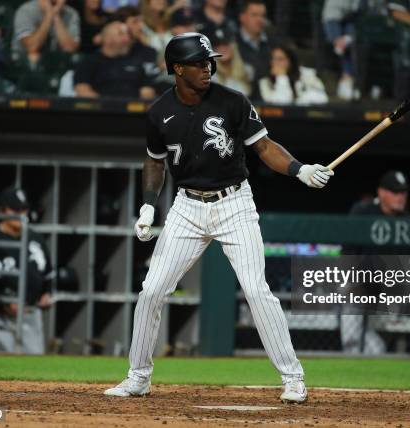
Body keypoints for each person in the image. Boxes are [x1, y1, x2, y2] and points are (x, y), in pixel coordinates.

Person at [103, 32, 334, 403]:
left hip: (234, 204)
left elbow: (264, 147)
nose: (207, 67)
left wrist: (299, 170)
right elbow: (154, 160)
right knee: (151, 291)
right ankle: (138, 377)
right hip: (187, 207)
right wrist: (148, 204)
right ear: (177, 69)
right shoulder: (159, 111)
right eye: (198, 62)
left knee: (257, 291)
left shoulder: (232, 102)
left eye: (209, 61)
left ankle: (292, 378)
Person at [342, 170, 410, 354]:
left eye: (403, 192)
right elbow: (348, 253)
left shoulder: (408, 222)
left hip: (389, 293)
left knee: (377, 346)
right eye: (395, 192)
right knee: (351, 338)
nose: (400, 197)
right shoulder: (363, 211)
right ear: (381, 192)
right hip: (357, 287)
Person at [0, 187, 53, 354]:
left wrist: (46, 293)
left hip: (29, 313)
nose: (20, 213)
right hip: (0, 315)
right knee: (2, 360)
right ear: (2, 210)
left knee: (34, 363)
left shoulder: (35, 238)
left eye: (23, 209)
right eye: (15, 209)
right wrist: (4, 302)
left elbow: (48, 274)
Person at [74, 20, 157, 99]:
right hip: (99, 111)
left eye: (128, 34)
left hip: (134, 111)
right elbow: (83, 91)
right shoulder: (88, 62)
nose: (128, 38)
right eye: (121, 34)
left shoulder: (137, 62)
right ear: (108, 39)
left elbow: (147, 92)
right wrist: (109, 107)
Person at [12, 0, 81, 63]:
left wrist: (56, 16)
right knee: (33, 56)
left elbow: (70, 49)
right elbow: (32, 47)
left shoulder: (71, 13)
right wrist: (48, 16)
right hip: (23, 65)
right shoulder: (26, 11)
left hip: (57, 66)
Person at [258, 44, 328, 105]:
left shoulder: (306, 74)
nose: (276, 63)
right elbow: (281, 104)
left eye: (280, 59)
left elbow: (322, 98)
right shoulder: (265, 82)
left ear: (290, 61)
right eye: (273, 59)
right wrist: (282, 77)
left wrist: (297, 103)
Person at [322, 0, 361, 101]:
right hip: (333, 17)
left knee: (348, 46)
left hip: (351, 19)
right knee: (342, 47)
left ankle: (346, 81)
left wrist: (347, 39)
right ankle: (346, 81)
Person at [236, 0, 278, 83]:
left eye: (263, 16)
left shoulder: (274, 43)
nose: (260, 19)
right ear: (242, 17)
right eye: (254, 15)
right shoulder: (232, 42)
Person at [209, 28, 253, 96]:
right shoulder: (209, 76)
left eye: (225, 44)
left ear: (233, 46)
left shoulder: (248, 71)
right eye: (217, 45)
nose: (222, 49)